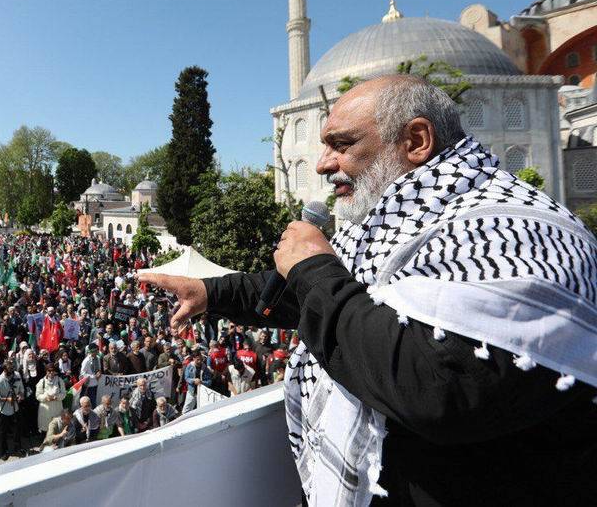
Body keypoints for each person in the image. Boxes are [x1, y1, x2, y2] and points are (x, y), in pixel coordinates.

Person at [139, 75, 597, 506]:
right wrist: (209, 292)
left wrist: (315, 266)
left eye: (342, 144)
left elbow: (439, 383)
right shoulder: (400, 219)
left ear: (416, 141)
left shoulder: (511, 227)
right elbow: (316, 296)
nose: (322, 165)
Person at [0, 361, 24, 460]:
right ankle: (4, 450)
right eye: (10, 370)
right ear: (4, 370)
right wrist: (6, 399)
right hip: (3, 409)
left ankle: (17, 447)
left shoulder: (17, 375)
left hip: (15, 407)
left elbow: (21, 388)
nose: (12, 372)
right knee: (3, 431)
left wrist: (20, 395)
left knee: (17, 428)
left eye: (13, 369)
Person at [35, 364, 65, 435]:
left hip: (57, 408)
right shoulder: (42, 382)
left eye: (53, 371)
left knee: (57, 427)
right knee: (46, 427)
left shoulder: (59, 381)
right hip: (46, 410)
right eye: (49, 371)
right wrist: (46, 397)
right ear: (46, 371)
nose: (51, 372)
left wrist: (56, 397)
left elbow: (64, 393)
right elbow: (38, 395)